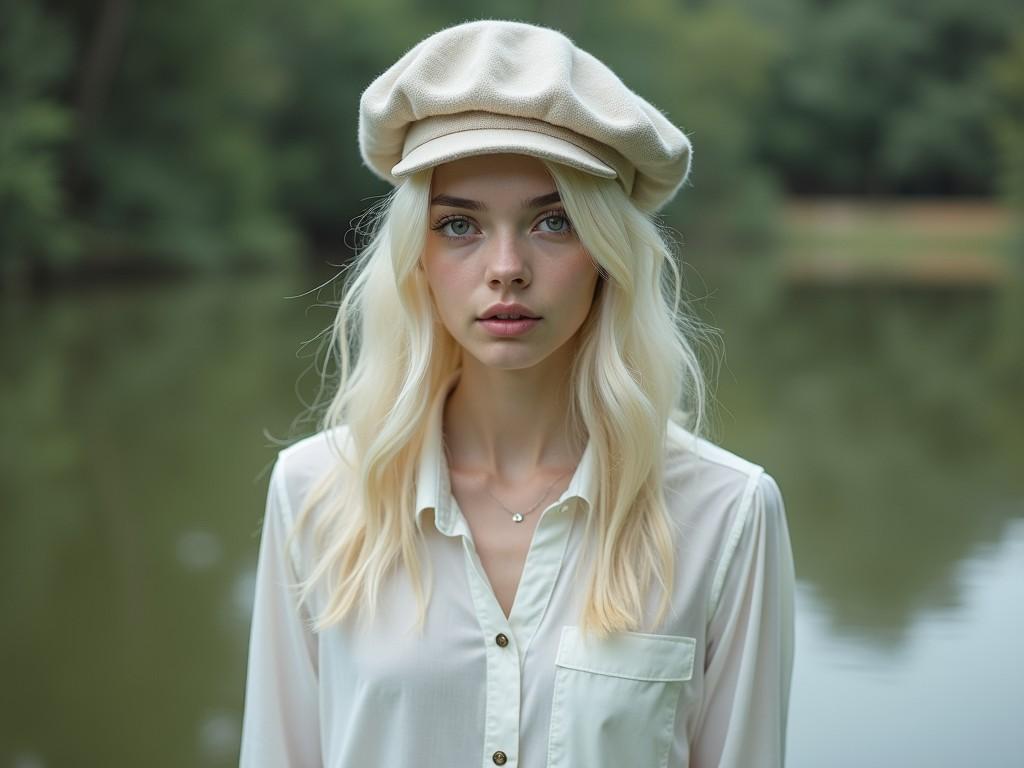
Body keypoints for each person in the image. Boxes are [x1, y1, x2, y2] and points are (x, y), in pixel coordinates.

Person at [239, 18, 795, 768]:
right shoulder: (317, 493)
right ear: (417, 259)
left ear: (608, 254)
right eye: (460, 225)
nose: (506, 268)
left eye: (553, 222)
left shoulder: (726, 515)